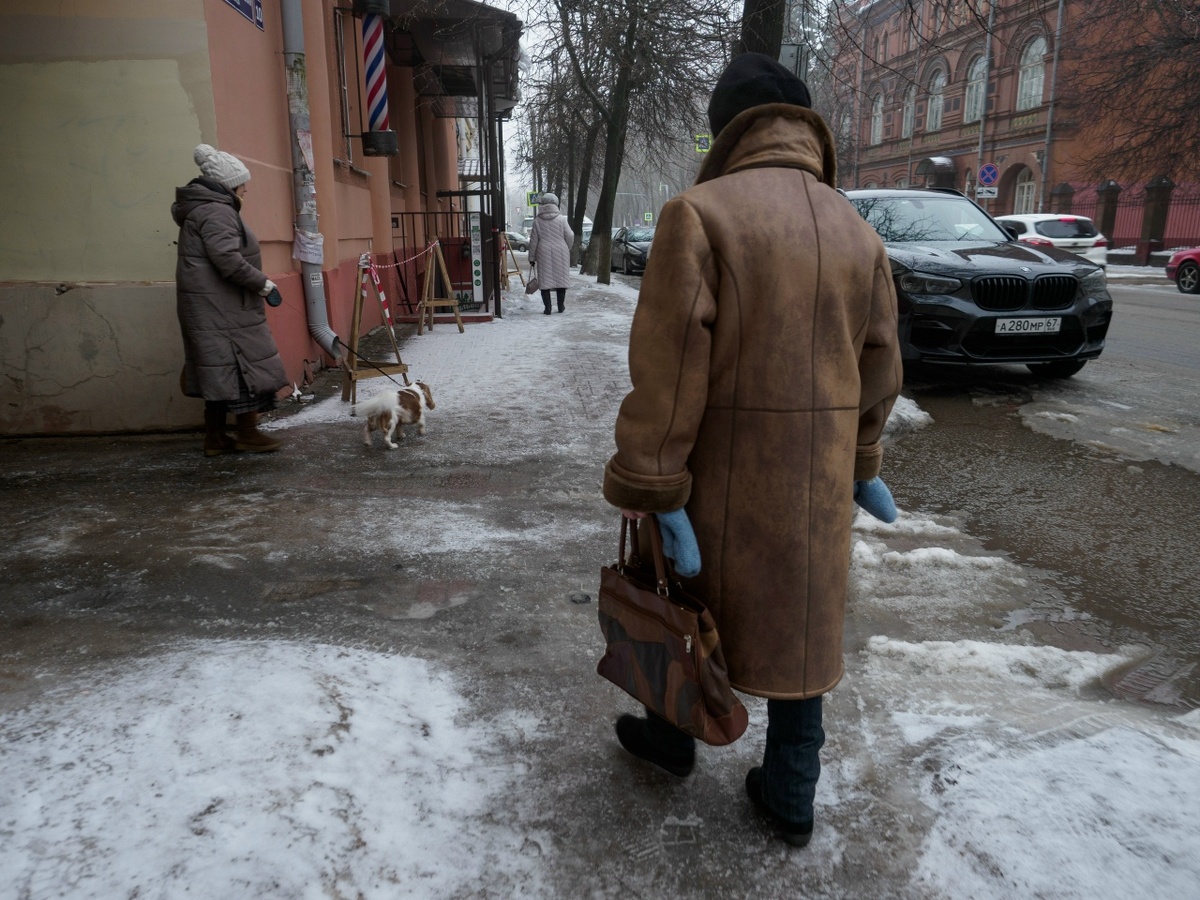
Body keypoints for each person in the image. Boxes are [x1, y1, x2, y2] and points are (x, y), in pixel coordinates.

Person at [601, 53, 903, 847]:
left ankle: (670, 740)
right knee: (803, 626)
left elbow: (668, 372)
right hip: (817, 489)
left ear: (725, 129)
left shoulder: (699, 214)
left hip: (717, 483)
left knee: (680, 603)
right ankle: (791, 792)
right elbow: (881, 369)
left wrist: (654, 485)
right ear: (805, 126)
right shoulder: (857, 231)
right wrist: (862, 460)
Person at [172, 144, 289, 456]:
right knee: (241, 370)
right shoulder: (217, 211)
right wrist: (263, 284)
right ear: (228, 185)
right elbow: (227, 259)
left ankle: (216, 438)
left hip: (215, 308)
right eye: (242, 183)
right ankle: (247, 432)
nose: (245, 189)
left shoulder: (206, 209)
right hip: (223, 311)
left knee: (221, 372)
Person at [527, 192, 574, 315]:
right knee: (561, 280)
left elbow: (533, 241)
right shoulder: (561, 219)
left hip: (543, 251)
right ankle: (561, 306)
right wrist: (566, 247)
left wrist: (531, 257)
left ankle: (547, 308)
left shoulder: (537, 221)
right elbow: (570, 235)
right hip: (561, 249)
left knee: (545, 281)